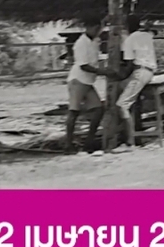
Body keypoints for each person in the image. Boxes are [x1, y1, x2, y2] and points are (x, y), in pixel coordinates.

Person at [64, 16, 111, 154]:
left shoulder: (95, 41)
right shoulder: (80, 43)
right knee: (74, 111)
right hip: (78, 80)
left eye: (99, 28)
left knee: (98, 109)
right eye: (96, 28)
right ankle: (68, 144)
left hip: (88, 81)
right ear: (89, 28)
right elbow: (83, 65)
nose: (98, 31)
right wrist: (102, 72)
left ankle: (89, 142)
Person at [113, 15, 158, 151]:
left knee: (121, 105)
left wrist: (118, 75)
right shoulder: (147, 35)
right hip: (149, 71)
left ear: (126, 26)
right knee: (123, 90)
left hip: (140, 72)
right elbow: (153, 32)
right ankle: (131, 131)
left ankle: (130, 142)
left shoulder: (129, 39)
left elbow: (129, 64)